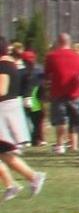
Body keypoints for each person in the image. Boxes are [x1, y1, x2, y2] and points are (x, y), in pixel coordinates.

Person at [0, 43, 45, 199]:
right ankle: (19, 182)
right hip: (7, 110)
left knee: (4, 152)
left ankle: (17, 182)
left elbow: (2, 90)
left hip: (4, 111)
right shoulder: (10, 63)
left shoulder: (3, 65)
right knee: (4, 153)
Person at [41, 33, 79, 154]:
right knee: (75, 119)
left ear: (58, 42)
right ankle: (75, 145)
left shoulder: (52, 56)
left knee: (61, 120)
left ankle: (60, 145)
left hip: (58, 92)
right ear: (69, 42)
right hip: (74, 92)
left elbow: (47, 74)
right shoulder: (77, 57)